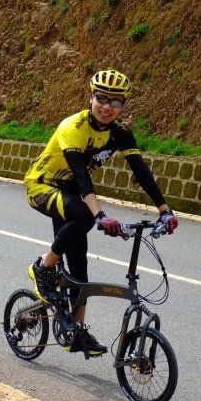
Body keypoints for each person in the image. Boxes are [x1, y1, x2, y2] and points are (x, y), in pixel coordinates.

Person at [24, 69, 178, 356]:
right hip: (43, 186)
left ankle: (75, 332)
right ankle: (43, 267)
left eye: (116, 102)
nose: (107, 106)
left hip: (71, 194)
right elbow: (81, 176)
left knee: (79, 265)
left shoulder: (119, 135)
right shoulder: (74, 126)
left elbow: (142, 173)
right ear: (91, 97)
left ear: (123, 106)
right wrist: (99, 216)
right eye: (102, 98)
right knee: (82, 218)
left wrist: (165, 211)